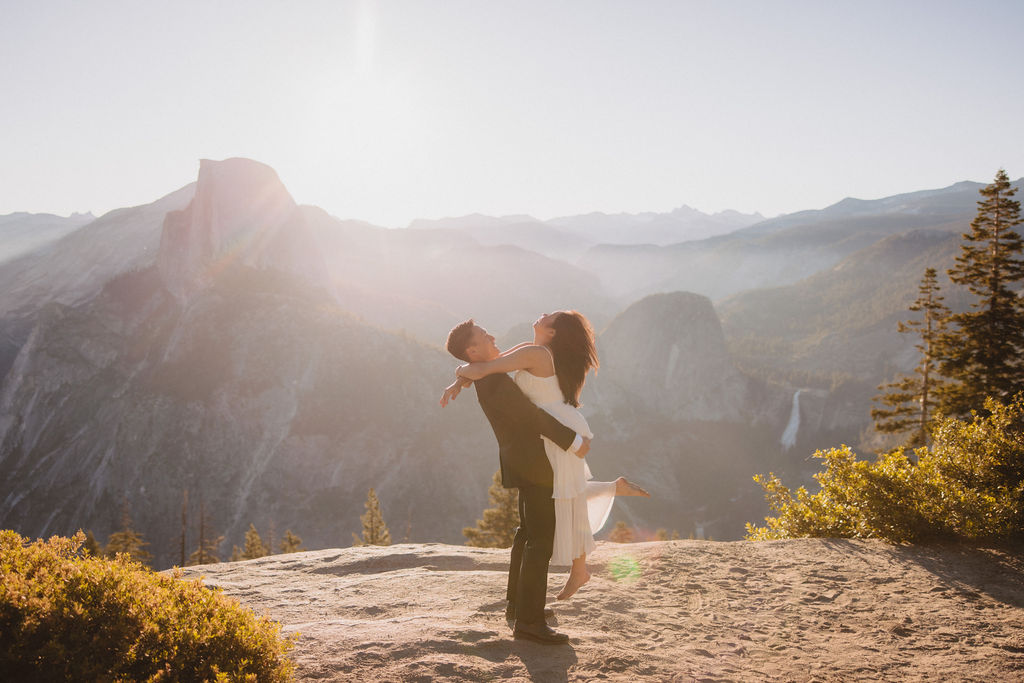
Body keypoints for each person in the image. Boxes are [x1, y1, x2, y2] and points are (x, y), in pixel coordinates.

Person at [443, 311, 649, 602]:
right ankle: (580, 567)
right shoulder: (532, 349)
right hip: (556, 426)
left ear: (551, 333)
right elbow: (486, 365)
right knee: (567, 491)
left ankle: (579, 569)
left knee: (566, 493)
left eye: (547, 317)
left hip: (558, 428)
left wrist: (459, 376)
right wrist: (459, 379)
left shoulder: (535, 353)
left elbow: (482, 369)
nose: (542, 314)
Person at [443, 319, 586, 645]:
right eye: (484, 335)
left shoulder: (487, 374)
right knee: (541, 541)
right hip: (535, 464)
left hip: (522, 462)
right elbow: (531, 417)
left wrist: (459, 378)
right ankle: (530, 623)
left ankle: (519, 605)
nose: (493, 335)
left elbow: (469, 369)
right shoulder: (494, 381)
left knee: (526, 535)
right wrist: (573, 441)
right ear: (473, 349)